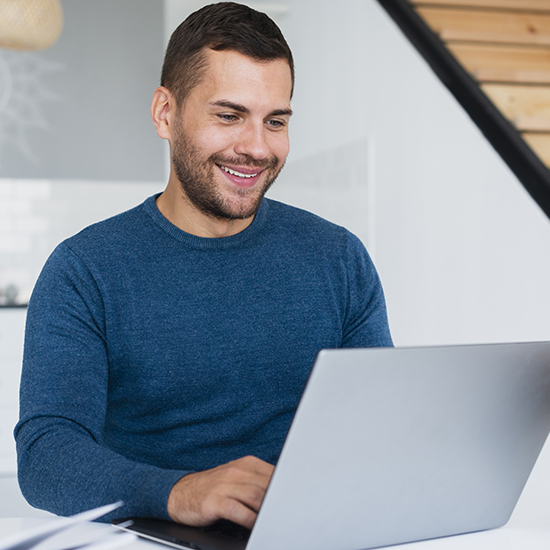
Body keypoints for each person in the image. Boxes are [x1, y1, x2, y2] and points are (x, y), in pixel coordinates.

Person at [15, 2, 392, 529]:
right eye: (229, 115)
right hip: (154, 535)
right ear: (165, 113)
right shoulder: (84, 270)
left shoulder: (339, 258)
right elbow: (45, 456)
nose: (256, 148)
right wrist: (179, 492)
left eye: (275, 121)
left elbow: (378, 427)